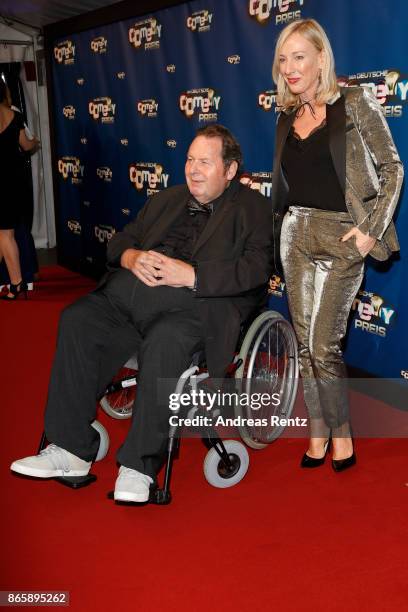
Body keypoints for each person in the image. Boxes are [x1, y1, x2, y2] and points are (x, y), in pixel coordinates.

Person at [11, 124, 273, 502]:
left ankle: (138, 466)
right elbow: (120, 240)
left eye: (205, 162)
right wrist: (131, 256)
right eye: (189, 160)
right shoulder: (167, 199)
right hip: (127, 302)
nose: (193, 169)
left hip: (194, 310)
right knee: (78, 319)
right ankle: (70, 449)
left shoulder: (253, 209)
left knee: (165, 340)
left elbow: (255, 270)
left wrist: (192, 275)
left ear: (230, 171)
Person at [271, 19, 403, 471]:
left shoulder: (354, 102)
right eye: (283, 59)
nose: (290, 67)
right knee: (306, 345)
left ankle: (342, 431)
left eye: (299, 56)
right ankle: (318, 429)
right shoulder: (285, 115)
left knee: (323, 345)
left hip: (343, 234)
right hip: (295, 236)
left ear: (321, 58)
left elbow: (393, 169)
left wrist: (370, 230)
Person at [0, 79, 39, 300]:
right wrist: (35, 142)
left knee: (6, 234)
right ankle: (16, 282)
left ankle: (16, 285)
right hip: (14, 180)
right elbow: (26, 145)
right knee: (5, 233)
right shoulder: (14, 115)